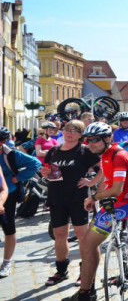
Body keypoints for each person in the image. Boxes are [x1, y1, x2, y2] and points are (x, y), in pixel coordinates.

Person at [63, 122, 128, 301]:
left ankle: (86, 293)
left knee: (87, 245)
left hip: (123, 205)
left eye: (95, 140)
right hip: (111, 204)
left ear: (107, 138)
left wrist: (93, 198)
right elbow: (106, 179)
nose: (90, 144)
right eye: (87, 140)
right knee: (89, 241)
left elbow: (116, 190)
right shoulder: (106, 154)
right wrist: (97, 196)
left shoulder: (119, 155)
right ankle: (88, 288)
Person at [40, 120, 101, 285]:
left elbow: (102, 168)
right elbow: (46, 171)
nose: (70, 133)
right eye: (68, 129)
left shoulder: (84, 151)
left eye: (75, 130)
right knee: (60, 235)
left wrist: (91, 182)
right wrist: (45, 174)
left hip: (78, 199)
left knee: (82, 236)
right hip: (56, 198)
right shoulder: (53, 150)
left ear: (81, 135)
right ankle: (61, 271)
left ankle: (85, 271)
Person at [0, 126, 42, 278]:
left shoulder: (11, 154)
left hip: (8, 194)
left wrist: (18, 178)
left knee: (8, 228)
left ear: (3, 141)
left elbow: (35, 164)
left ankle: (6, 262)